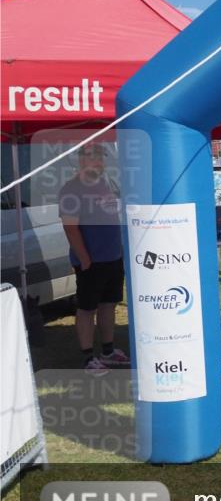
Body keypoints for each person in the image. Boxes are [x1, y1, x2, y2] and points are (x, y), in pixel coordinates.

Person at [58, 143, 130, 376]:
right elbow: (70, 228)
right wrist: (85, 260)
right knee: (87, 308)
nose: (98, 162)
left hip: (113, 257)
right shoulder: (72, 189)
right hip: (92, 261)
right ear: (81, 160)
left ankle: (108, 351)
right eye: (93, 157)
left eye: (101, 157)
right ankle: (88, 357)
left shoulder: (105, 183)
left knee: (108, 305)